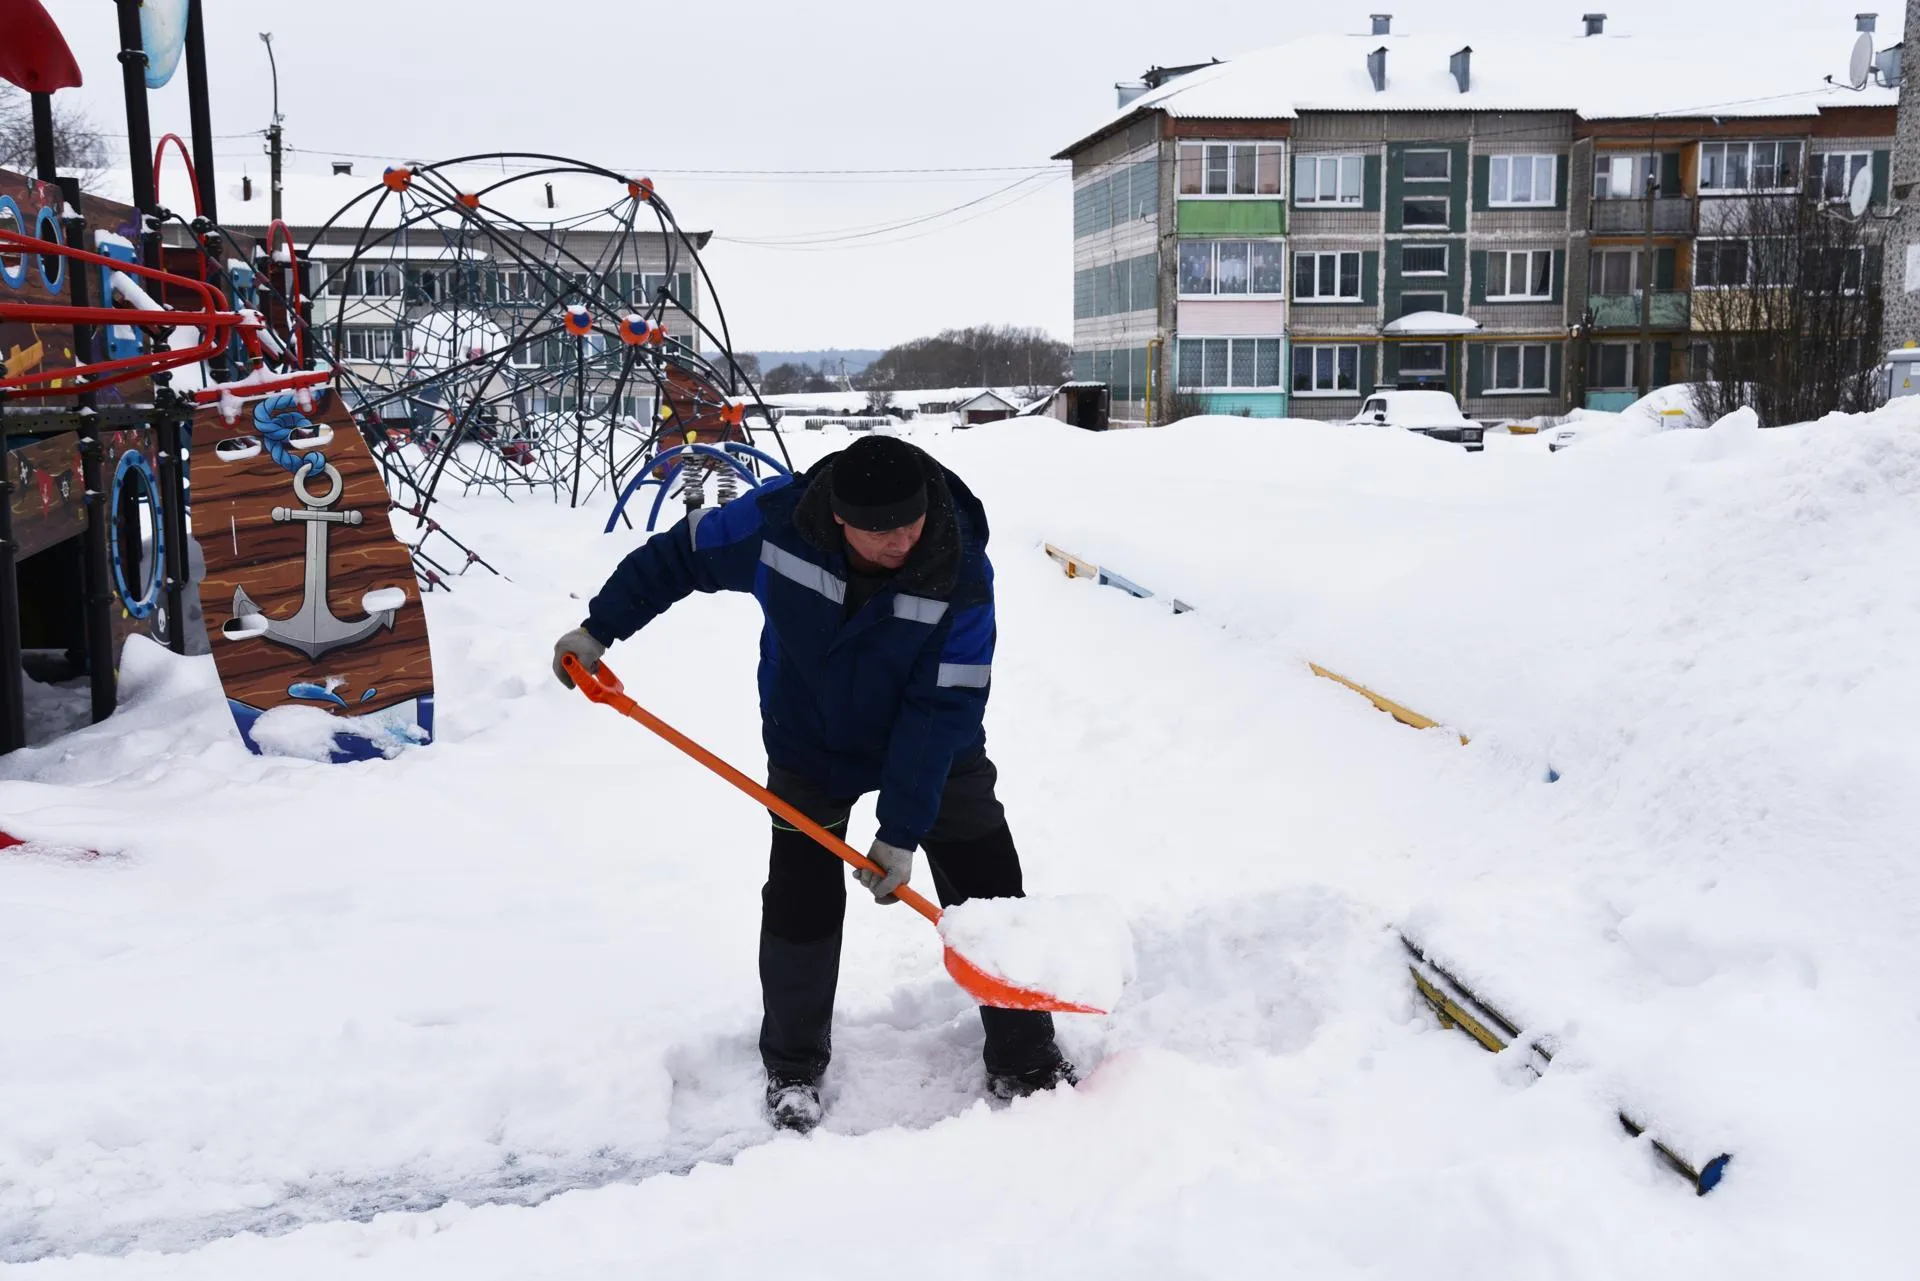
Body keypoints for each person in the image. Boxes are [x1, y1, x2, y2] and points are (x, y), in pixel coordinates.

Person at [552, 434, 1076, 1132]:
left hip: (929, 746)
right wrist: (599, 628)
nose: (902, 541)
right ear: (837, 517)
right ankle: (793, 1065)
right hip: (812, 737)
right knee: (800, 892)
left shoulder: (959, 571)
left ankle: (1025, 1054)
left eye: (912, 522)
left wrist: (900, 830)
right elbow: (682, 553)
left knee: (987, 877)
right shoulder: (777, 522)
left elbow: (942, 707)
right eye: (882, 529)